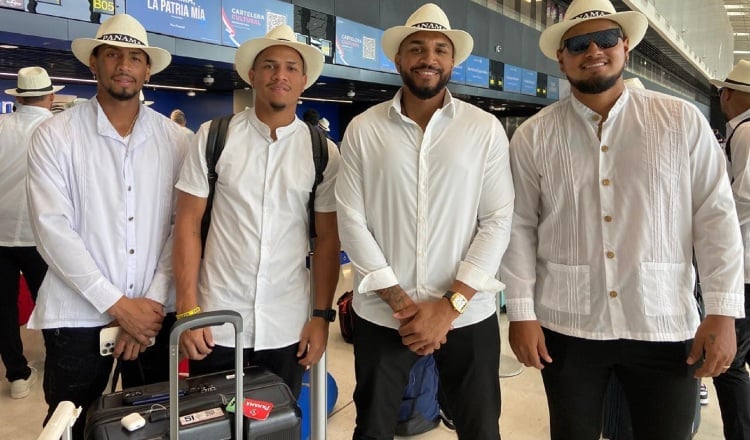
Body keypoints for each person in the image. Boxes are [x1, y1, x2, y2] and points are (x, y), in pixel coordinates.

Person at [499, 0, 744, 438]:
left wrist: (723, 313)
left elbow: (715, 218)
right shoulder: (535, 134)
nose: (594, 49)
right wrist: (520, 312)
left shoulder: (679, 120)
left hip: (662, 321)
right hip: (568, 322)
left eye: (607, 38)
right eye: (578, 43)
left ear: (625, 45)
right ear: (562, 55)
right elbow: (519, 227)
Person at [335, 3, 514, 439]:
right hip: (383, 316)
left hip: (467, 316)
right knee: (373, 428)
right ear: (398, 59)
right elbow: (351, 220)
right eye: (416, 48)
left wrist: (449, 306)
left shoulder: (484, 129)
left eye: (439, 49)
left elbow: (497, 219)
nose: (428, 58)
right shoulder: (364, 128)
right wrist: (400, 301)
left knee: (480, 427)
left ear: (452, 61)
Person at [26, 14, 189, 439]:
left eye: (134, 57)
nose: (123, 65)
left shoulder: (177, 141)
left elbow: (183, 227)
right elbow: (52, 229)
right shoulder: (54, 135)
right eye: (112, 54)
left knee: (152, 425)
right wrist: (120, 306)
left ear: (147, 69)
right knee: (71, 424)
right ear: (93, 63)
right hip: (77, 315)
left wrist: (147, 307)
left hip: (155, 313)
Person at [173, 24, 341, 398]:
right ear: (252, 75)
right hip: (216, 323)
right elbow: (187, 224)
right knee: (212, 425)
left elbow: (328, 239)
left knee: (276, 427)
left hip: (288, 325)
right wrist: (187, 310)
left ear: (303, 80)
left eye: (290, 67)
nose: (279, 75)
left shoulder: (322, 152)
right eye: (269, 66)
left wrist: (321, 318)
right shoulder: (215, 137)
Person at [0, 66, 63, 399]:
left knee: (3, 308)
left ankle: (17, 375)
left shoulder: (0, 127)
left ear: (19, 97)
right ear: (50, 97)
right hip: (41, 236)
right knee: (51, 302)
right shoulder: (56, 131)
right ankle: (57, 363)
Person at [710, 59, 750, 440]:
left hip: (744, 266)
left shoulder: (746, 132)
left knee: (729, 362)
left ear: (729, 94)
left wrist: (713, 231)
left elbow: (743, 197)